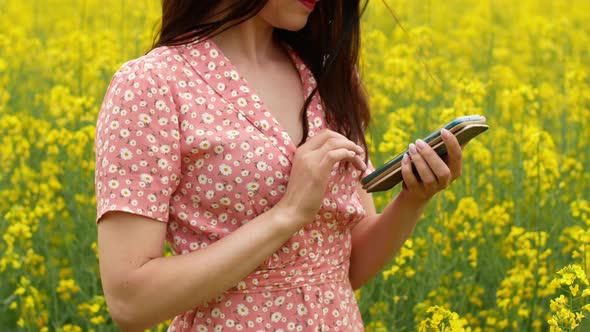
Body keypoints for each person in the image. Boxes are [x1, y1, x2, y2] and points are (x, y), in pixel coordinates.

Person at [94, 0, 464, 331]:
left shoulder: (327, 77)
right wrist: (286, 215)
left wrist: (412, 199)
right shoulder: (150, 84)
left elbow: (346, 268)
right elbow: (131, 302)